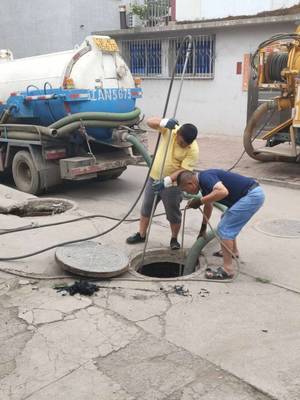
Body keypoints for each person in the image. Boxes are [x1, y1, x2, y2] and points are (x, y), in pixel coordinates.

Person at [177, 169, 265, 279]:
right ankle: (233, 252)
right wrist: (203, 227)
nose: (187, 193)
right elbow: (208, 205)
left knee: (224, 228)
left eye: (186, 190)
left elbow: (223, 192)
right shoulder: (203, 185)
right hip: (251, 194)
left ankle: (227, 270)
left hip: (251, 196)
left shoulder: (205, 177)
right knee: (225, 219)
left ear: (190, 183)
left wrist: (199, 201)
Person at [126, 116, 199, 250]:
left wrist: (166, 181)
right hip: (153, 178)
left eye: (187, 144)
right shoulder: (171, 130)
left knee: (173, 213)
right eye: (182, 142)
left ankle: (174, 239)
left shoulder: (192, 149)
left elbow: (183, 171)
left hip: (173, 185)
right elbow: (148, 122)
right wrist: (164, 122)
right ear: (178, 135)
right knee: (146, 208)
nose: (185, 146)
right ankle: (141, 234)